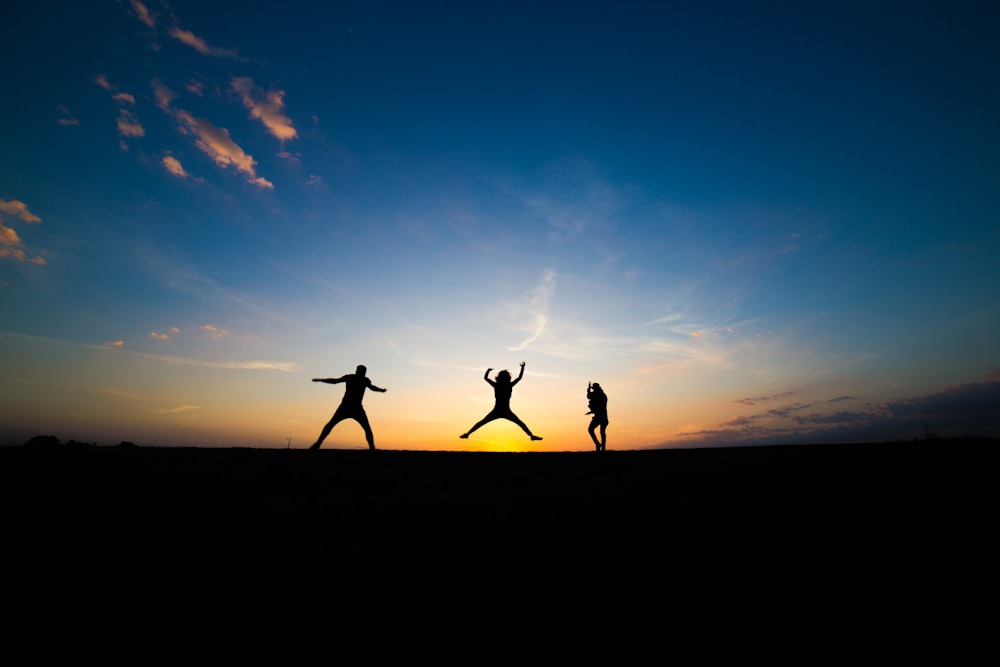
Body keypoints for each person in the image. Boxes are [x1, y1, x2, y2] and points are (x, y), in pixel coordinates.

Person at [310, 364, 387, 450]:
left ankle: (372, 448)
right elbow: (335, 381)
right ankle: (318, 443)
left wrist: (381, 390)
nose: (361, 373)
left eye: (363, 372)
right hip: (346, 407)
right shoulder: (352, 378)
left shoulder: (364, 380)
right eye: (360, 371)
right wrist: (321, 380)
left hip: (356, 408)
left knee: (367, 428)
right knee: (331, 424)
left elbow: (372, 387)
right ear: (357, 371)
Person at [460, 362, 542, 441]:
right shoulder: (502, 385)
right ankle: (467, 434)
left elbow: (486, 378)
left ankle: (531, 436)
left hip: (503, 411)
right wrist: (522, 367)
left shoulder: (500, 385)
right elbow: (519, 378)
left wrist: (488, 371)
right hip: (499, 411)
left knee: (520, 423)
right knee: (482, 422)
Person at [586, 382, 609, 452]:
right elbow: (589, 397)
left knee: (601, 432)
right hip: (599, 417)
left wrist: (589, 390)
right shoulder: (599, 394)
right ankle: (599, 445)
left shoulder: (600, 395)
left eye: (594, 388)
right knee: (592, 430)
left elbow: (590, 397)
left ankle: (602, 448)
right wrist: (589, 390)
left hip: (602, 417)